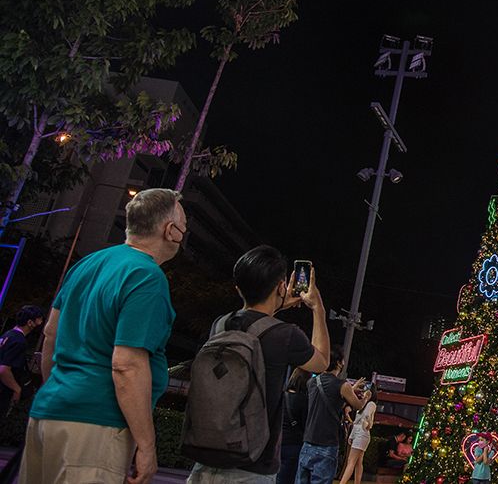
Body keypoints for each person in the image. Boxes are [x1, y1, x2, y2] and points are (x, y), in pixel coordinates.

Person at [20, 188, 182, 484]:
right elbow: (127, 365)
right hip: (97, 424)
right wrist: (147, 445)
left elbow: (50, 334)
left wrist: (63, 390)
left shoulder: (87, 264)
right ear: (170, 231)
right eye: (183, 226)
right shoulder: (147, 276)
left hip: (48, 412)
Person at [187, 245, 331, 483]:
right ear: (281, 286)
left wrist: (277, 303)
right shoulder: (286, 335)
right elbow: (322, 362)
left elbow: (255, 325)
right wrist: (318, 308)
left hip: (206, 457)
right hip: (252, 466)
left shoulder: (221, 324)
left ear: (238, 288)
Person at [296, 348, 370, 484]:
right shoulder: (342, 385)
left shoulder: (312, 382)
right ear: (339, 363)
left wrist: (351, 389)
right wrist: (366, 397)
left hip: (307, 443)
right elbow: (358, 405)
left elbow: (330, 399)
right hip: (327, 445)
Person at [0, 305, 44, 415]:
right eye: (39, 319)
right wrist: (17, 389)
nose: (41, 323)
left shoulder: (8, 334)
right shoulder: (19, 342)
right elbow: (4, 369)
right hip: (3, 391)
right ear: (30, 322)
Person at [277, 369, 311, 484]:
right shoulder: (303, 400)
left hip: (278, 441)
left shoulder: (281, 395)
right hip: (294, 445)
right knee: (287, 478)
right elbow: (306, 424)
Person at [338, 388, 378, 484]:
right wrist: (352, 436)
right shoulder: (362, 405)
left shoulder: (371, 404)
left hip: (362, 433)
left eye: (366, 393)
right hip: (358, 433)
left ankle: (342, 482)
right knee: (358, 461)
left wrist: (367, 422)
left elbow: (367, 417)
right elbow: (356, 422)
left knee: (351, 461)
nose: (363, 394)